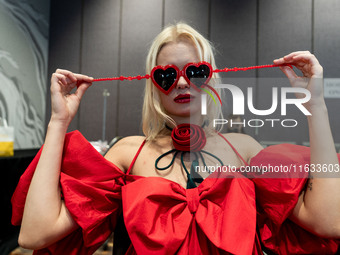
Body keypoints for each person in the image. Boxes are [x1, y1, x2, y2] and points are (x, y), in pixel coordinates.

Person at [12, 23, 340, 254]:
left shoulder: (244, 150)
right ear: (154, 85)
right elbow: (35, 234)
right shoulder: (128, 153)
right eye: (168, 75)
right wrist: (58, 121)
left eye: (195, 72)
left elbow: (328, 221)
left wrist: (316, 106)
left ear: (211, 78)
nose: (182, 84)